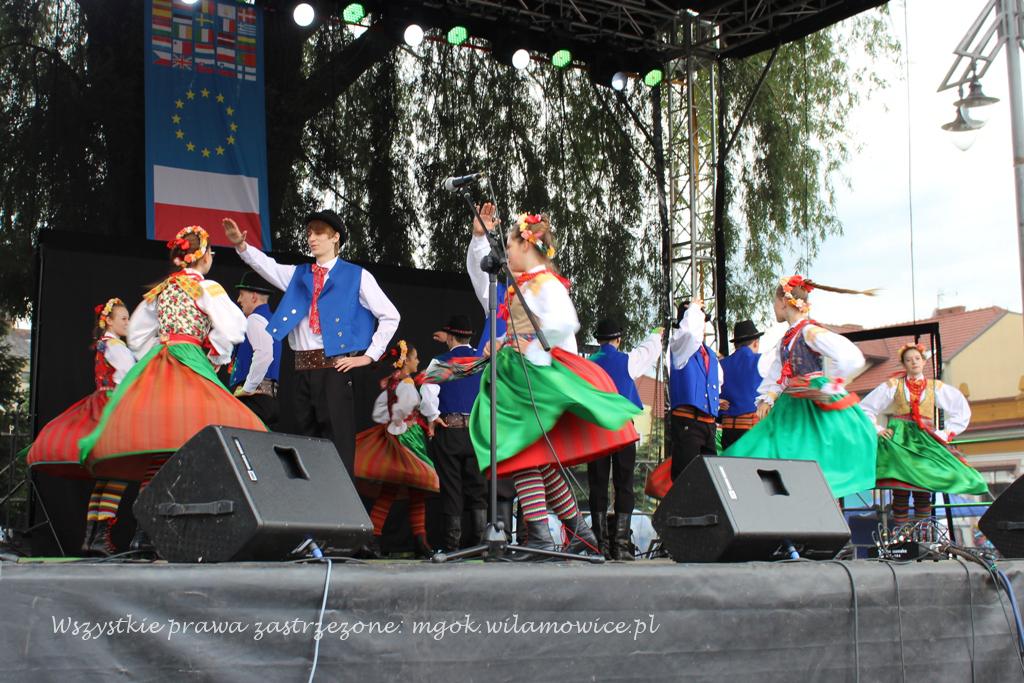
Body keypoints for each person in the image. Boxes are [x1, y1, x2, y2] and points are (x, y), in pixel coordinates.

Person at [464, 207, 642, 556]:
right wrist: (502, 341)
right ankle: (581, 535)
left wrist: (532, 346)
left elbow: (564, 322)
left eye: (510, 247)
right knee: (537, 460)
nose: (506, 254)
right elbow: (498, 299)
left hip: (529, 378)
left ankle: (543, 538)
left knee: (522, 455)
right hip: (518, 375)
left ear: (526, 245)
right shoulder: (524, 284)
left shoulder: (545, 283)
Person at [78, 226, 266, 550]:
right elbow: (235, 327)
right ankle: (150, 532)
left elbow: (137, 336)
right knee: (186, 443)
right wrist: (215, 354)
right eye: (210, 252)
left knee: (164, 446)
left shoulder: (161, 290)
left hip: (160, 364)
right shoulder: (206, 287)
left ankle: (145, 533)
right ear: (204, 257)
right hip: (189, 362)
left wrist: (158, 349)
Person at [224, 211, 400, 475]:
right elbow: (267, 266)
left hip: (334, 370)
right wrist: (241, 245)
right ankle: (312, 499)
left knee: (338, 446)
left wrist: (368, 356)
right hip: (302, 370)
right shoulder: (299, 274)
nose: (312, 238)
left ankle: (340, 501)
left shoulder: (356, 275)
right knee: (305, 446)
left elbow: (390, 315)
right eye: (309, 233)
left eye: (318, 233)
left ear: (335, 237)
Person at [721, 275, 877, 500]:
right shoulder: (787, 338)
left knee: (804, 459)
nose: (774, 307)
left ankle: (815, 512)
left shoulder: (809, 331)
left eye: (774, 302)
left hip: (809, 405)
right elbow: (779, 372)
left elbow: (851, 357)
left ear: (784, 302)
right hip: (791, 403)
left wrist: (831, 386)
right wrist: (768, 398)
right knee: (764, 452)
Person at [26, 298, 136, 555]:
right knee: (118, 472)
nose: (128, 323)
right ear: (109, 321)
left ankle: (93, 537)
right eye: (123, 319)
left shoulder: (104, 344)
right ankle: (98, 538)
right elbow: (130, 378)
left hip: (103, 404)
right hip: (115, 406)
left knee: (107, 475)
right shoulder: (116, 347)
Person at [860, 343, 987, 528]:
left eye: (917, 359)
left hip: (925, 438)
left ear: (924, 361)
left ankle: (923, 532)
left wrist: (945, 432)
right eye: (908, 360)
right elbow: (865, 408)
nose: (914, 362)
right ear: (903, 364)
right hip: (900, 438)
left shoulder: (935, 387)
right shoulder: (894, 385)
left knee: (924, 485)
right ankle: (901, 532)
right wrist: (878, 429)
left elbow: (960, 408)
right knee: (900, 487)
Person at [586, 318, 661, 560]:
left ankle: (599, 546)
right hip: (623, 429)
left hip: (597, 429)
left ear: (599, 340)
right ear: (618, 340)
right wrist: (656, 334)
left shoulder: (589, 364)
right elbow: (649, 351)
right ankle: (620, 545)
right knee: (624, 485)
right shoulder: (628, 360)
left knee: (598, 485)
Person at [354, 341, 437, 557]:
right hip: (408, 440)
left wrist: (392, 420)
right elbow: (402, 408)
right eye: (415, 357)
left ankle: (384, 539)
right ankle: (413, 541)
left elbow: (378, 412)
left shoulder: (393, 382)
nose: (418, 361)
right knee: (415, 487)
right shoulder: (407, 384)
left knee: (396, 490)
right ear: (406, 360)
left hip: (399, 437)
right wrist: (401, 422)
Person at [419, 314, 488, 553]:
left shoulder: (441, 361)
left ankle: (452, 546)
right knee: (478, 488)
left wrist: (432, 416)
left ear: (449, 337)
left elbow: (428, 394)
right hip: (477, 432)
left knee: (451, 488)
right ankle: (480, 544)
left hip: (449, 430)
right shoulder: (482, 360)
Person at [229, 271, 282, 429]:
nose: (239, 300)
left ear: (253, 297)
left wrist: (248, 388)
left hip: (254, 400)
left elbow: (264, 354)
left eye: (241, 294)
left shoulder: (254, 319)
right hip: (264, 398)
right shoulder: (270, 320)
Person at [718, 320, 764, 450]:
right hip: (752, 429)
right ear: (756, 342)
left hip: (728, 430)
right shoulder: (761, 361)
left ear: (736, 345)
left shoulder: (721, 365)